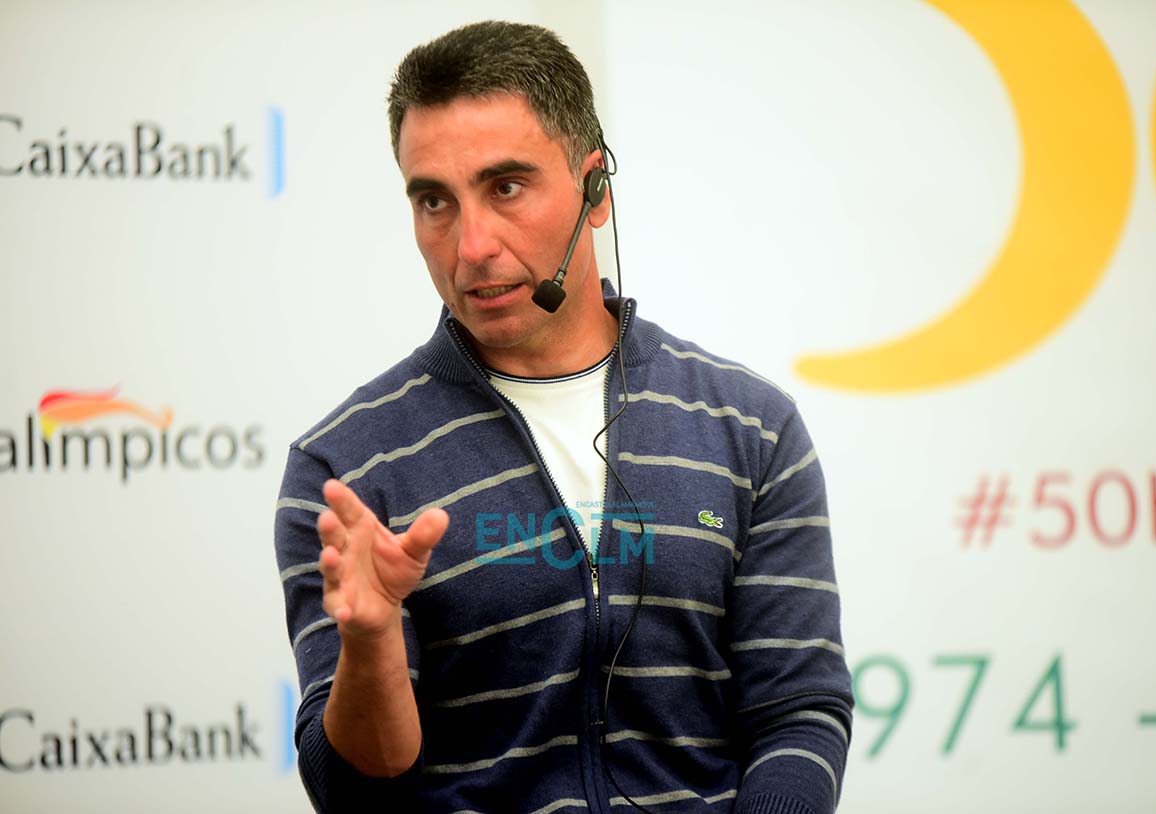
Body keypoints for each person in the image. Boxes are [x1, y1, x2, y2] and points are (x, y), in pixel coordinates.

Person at [274, 20, 853, 814]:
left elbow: (797, 715)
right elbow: (350, 793)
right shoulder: (346, 469)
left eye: (505, 188)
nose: (471, 245)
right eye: (434, 201)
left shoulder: (748, 428)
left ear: (595, 190)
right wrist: (369, 642)